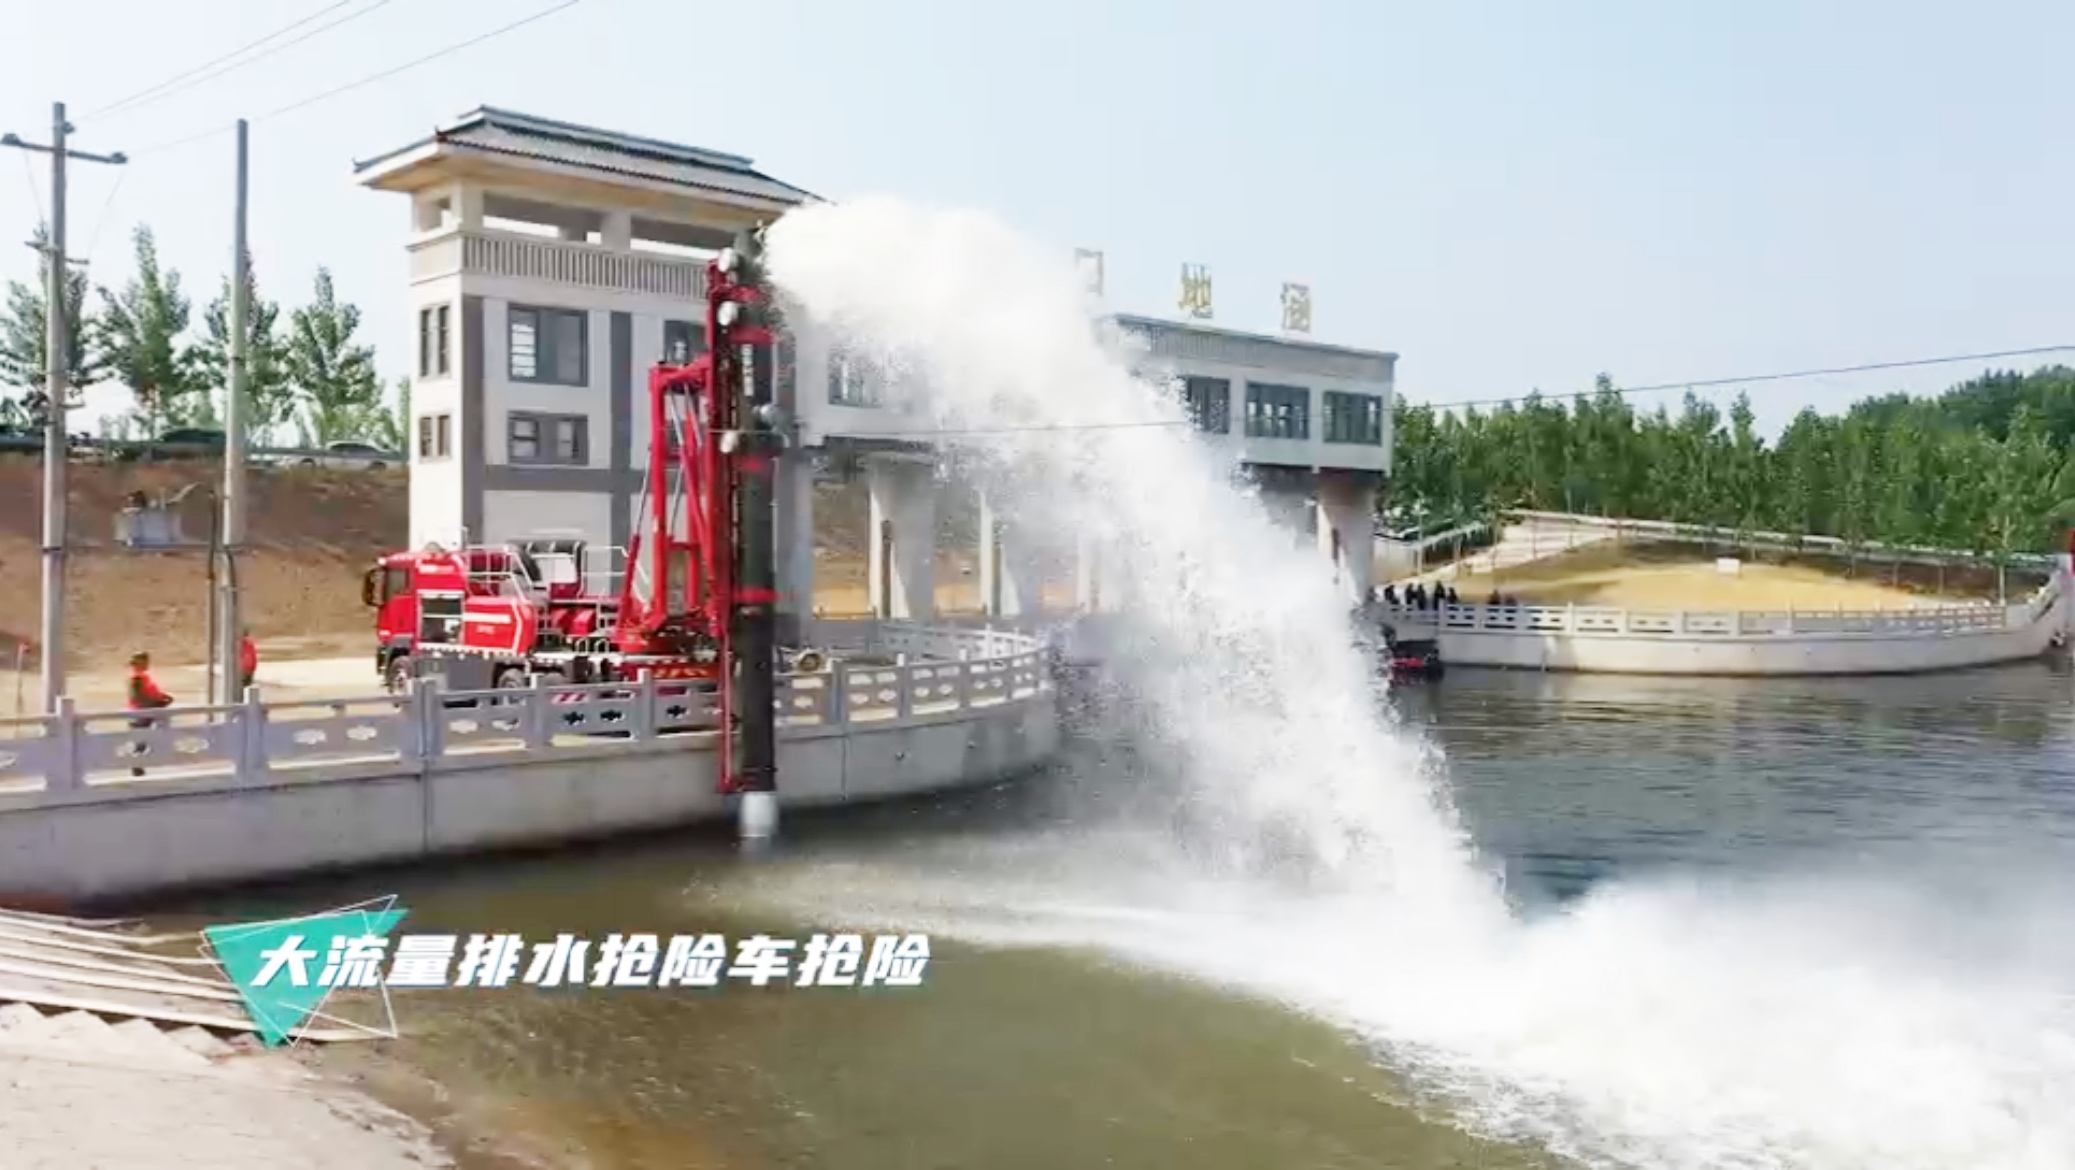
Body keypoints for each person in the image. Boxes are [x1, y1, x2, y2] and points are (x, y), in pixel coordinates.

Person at [125, 651, 174, 778]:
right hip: (140, 714)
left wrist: (163, 697)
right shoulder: (136, 679)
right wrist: (157, 703)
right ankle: (136, 767)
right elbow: (138, 698)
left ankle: (139, 766)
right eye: (144, 661)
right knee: (141, 741)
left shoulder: (144, 677)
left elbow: (151, 692)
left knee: (146, 740)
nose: (147, 664)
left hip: (147, 713)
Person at [238, 630, 258, 695]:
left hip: (248, 669)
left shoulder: (249, 645)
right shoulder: (240, 645)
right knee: (242, 686)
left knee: (247, 686)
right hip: (242, 669)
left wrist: (253, 667)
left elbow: (253, 656)